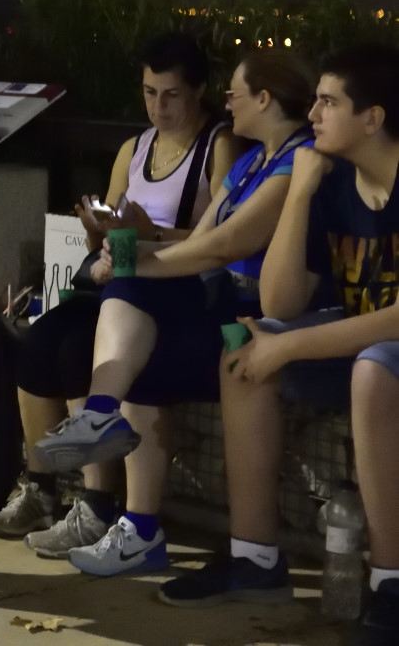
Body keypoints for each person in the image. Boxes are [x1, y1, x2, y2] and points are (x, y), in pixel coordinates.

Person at [27, 49, 315, 577]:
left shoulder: (299, 160)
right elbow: (201, 239)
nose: (227, 101)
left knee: (132, 297)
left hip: (254, 313)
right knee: (136, 354)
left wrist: (136, 263)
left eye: (234, 92)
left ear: (264, 99)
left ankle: (100, 421)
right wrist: (127, 249)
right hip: (221, 301)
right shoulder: (254, 161)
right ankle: (138, 525)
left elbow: (225, 245)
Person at [159, 43, 399, 645]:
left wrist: (290, 348)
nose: (311, 115)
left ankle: (391, 583)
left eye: (328, 103)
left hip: (385, 349)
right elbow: (280, 303)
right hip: (365, 340)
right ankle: (255, 559)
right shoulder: (333, 182)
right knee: (245, 350)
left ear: (373, 117)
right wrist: (299, 192)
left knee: (370, 369)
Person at [0, 31, 235, 558]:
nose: (158, 106)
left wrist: (152, 234)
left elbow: (221, 238)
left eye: (170, 94)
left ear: (199, 91)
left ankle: (97, 504)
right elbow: (108, 239)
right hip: (119, 279)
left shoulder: (218, 146)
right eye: (149, 93)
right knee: (37, 343)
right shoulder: (135, 147)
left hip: (175, 287)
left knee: (79, 352)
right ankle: (41, 487)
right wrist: (97, 229)